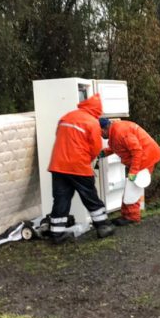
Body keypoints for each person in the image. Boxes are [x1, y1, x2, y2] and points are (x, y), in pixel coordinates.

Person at [48, 93, 115, 242]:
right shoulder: (92, 122)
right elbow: (96, 148)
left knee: (61, 199)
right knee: (90, 197)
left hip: (57, 165)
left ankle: (56, 234)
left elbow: (58, 136)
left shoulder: (66, 117)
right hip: (78, 166)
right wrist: (88, 161)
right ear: (97, 110)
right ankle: (103, 226)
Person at [99, 118, 160, 226]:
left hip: (145, 158)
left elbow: (137, 151)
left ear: (105, 128)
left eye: (100, 132)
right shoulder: (116, 131)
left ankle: (132, 217)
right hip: (144, 157)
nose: (100, 136)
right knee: (131, 187)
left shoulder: (120, 132)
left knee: (132, 188)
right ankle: (126, 215)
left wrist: (133, 171)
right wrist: (104, 153)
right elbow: (119, 146)